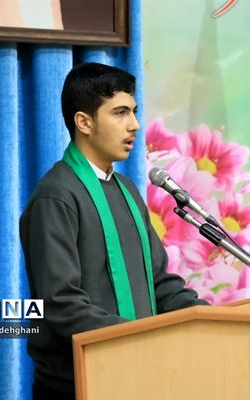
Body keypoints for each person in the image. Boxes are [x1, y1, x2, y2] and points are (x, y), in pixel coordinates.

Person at [19, 62, 208, 399]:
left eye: (134, 112)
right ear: (84, 122)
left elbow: (159, 283)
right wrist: (141, 338)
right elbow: (61, 304)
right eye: (120, 113)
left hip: (137, 375)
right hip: (77, 385)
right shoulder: (56, 197)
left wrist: (209, 319)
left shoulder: (127, 190)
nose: (134, 125)